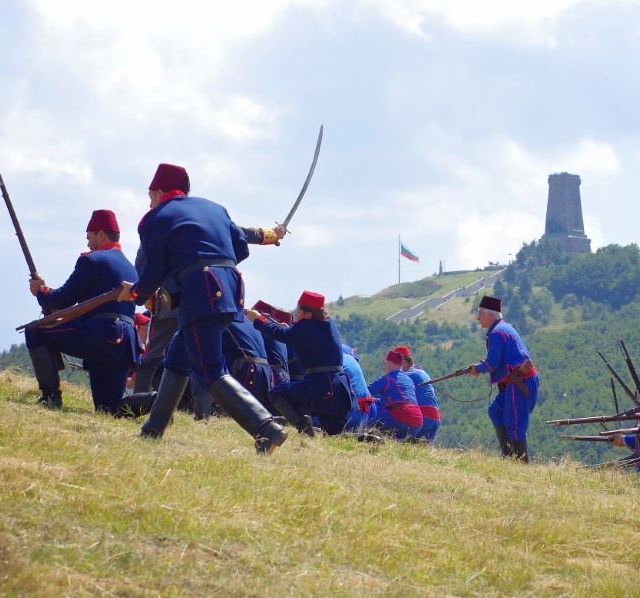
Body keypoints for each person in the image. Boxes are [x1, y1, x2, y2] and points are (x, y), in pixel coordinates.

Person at [117, 162, 286, 454]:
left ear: (159, 192)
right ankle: (153, 427)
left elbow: (153, 270)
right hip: (230, 288)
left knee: (209, 371)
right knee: (177, 360)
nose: (150, 202)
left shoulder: (154, 219)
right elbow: (241, 246)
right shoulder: (215, 208)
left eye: (150, 196)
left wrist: (134, 292)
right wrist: (212, 266)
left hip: (200, 292)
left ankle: (266, 427)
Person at [24, 209, 140, 414]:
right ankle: (155, 402)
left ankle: (51, 397)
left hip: (101, 333)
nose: (88, 243)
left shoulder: (92, 261)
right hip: (125, 341)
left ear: (100, 235)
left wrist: (41, 291)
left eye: (89, 237)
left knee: (35, 331)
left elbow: (63, 298)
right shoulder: (130, 267)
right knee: (109, 409)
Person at [245, 290, 354, 436]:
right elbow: (298, 334)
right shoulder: (328, 323)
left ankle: (304, 428)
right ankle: (368, 438)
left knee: (276, 394)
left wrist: (258, 319)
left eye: (298, 313)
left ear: (308, 315)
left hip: (321, 386)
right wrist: (290, 329)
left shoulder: (307, 327)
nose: (296, 317)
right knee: (335, 436)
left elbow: (280, 334)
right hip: (340, 388)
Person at [468, 296, 540, 462]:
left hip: (519, 382)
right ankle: (508, 454)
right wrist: (481, 366)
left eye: (480, 313)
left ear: (491, 315)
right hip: (519, 381)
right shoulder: (505, 328)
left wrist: (477, 369)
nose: (478, 318)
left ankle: (521, 465)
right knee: (495, 410)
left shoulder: (496, 333)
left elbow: (492, 364)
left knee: (515, 426)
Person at [368, 348, 424, 440]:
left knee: (368, 405)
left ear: (390, 363)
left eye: (385, 363)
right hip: (417, 423)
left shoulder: (387, 379)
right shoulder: (409, 380)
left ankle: (363, 433)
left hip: (400, 420)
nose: (384, 367)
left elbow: (365, 393)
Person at [395, 344, 441, 443]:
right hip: (435, 418)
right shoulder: (421, 372)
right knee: (424, 449)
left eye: (395, 364)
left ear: (403, 362)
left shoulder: (408, 375)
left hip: (423, 416)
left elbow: (391, 390)